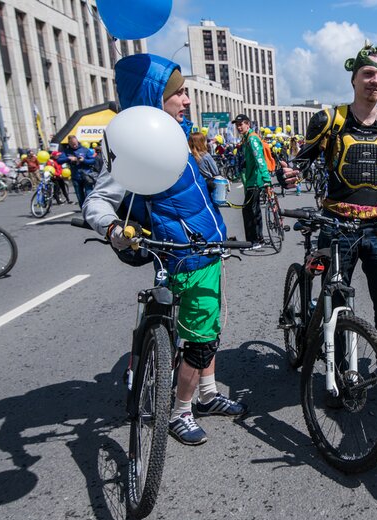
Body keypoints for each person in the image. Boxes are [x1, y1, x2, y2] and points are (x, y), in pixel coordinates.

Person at [83, 54, 247, 446]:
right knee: (201, 338)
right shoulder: (138, 142)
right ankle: (180, 411)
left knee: (209, 327)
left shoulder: (175, 134)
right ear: (155, 95)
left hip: (207, 249)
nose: (187, 99)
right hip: (181, 258)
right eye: (179, 92)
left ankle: (206, 394)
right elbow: (97, 201)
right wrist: (111, 228)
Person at [285, 42, 377, 390]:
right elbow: (302, 162)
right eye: (368, 74)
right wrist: (288, 174)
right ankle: (337, 376)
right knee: (336, 308)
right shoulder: (329, 120)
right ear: (354, 79)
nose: (375, 81)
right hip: (337, 228)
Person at [233, 114, 269, 248]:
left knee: (249, 209)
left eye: (241, 124)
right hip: (251, 180)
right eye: (237, 124)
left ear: (248, 124)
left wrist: (266, 179)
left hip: (255, 181)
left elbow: (260, 159)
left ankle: (255, 240)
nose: (238, 127)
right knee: (254, 209)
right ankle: (258, 238)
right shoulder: (247, 138)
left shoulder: (252, 139)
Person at [57, 135, 95, 207]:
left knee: (89, 194)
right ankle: (84, 213)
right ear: (69, 143)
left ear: (77, 141)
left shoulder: (85, 150)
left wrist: (84, 160)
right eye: (72, 144)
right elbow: (59, 160)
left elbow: (93, 160)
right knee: (80, 197)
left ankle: (92, 210)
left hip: (87, 176)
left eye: (75, 143)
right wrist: (69, 158)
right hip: (76, 177)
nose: (74, 145)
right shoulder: (66, 151)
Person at [189, 131, 220, 198]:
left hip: (194, 186)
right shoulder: (206, 155)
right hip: (207, 185)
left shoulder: (189, 157)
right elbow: (215, 172)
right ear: (201, 142)